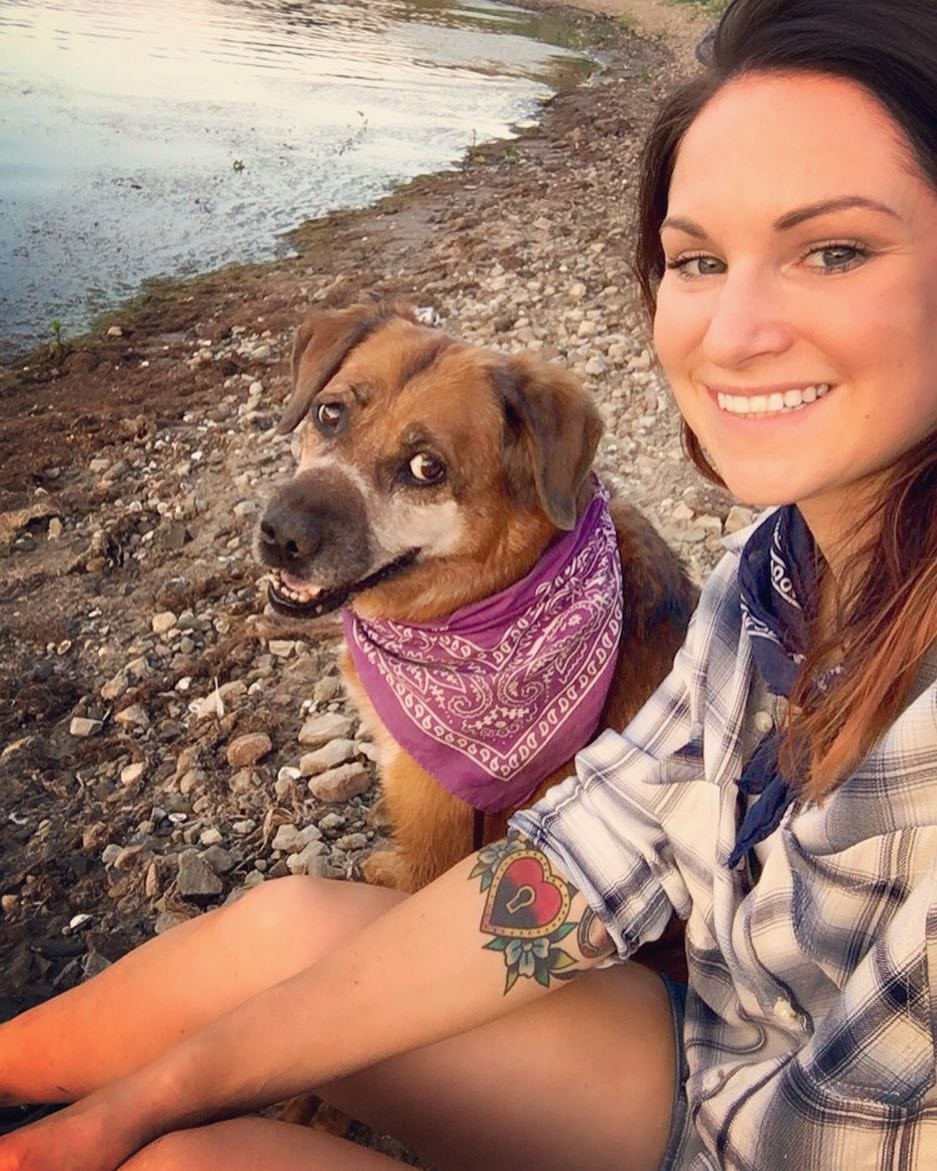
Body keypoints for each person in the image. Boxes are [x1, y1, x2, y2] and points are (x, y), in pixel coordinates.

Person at [3, 0, 937, 1166]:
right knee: (284, 932)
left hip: (759, 1143)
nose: (734, 331)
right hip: (702, 1042)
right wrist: (155, 1091)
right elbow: (589, 854)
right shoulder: (775, 573)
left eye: (833, 249)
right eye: (698, 259)